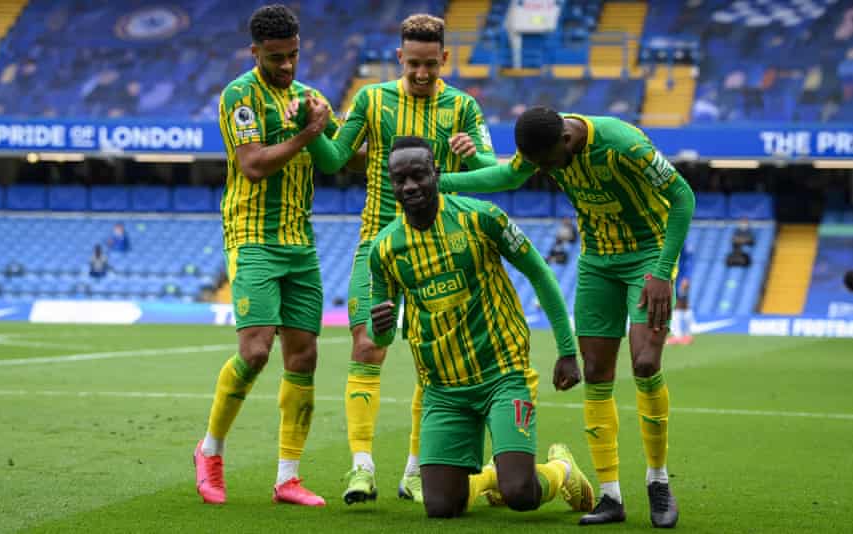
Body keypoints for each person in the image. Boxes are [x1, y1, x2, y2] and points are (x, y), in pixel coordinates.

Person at [437, 106, 694, 527]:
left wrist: (663, 271)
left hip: (648, 257)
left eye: (548, 163)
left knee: (646, 363)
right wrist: (440, 183)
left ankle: (658, 481)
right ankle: (610, 496)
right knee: (595, 372)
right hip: (596, 262)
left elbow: (683, 195)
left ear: (567, 141)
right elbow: (505, 176)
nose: (544, 171)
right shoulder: (543, 145)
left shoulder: (623, 143)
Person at [305, 14, 498, 504]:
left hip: (438, 253)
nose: (421, 74)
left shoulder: (463, 108)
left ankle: (414, 470)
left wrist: (473, 155)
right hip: (377, 246)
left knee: (434, 362)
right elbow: (332, 160)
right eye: (413, 63)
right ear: (398, 58)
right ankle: (361, 468)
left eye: (430, 65)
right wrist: (316, 128)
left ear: (444, 60)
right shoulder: (371, 100)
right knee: (368, 347)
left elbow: (494, 173)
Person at [368, 136, 593, 518]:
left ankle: (563, 470)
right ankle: (492, 476)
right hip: (442, 390)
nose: (409, 187)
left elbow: (540, 273)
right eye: (399, 179)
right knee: (441, 507)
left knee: (521, 492)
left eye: (418, 175)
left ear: (436, 173)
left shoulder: (481, 218)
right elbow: (383, 335)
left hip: (502, 375)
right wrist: (380, 327)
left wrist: (567, 350)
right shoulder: (385, 248)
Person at [192, 4, 340, 507]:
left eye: (293, 55)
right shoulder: (240, 95)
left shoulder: (311, 98)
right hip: (252, 234)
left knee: (304, 355)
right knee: (255, 351)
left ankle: (288, 478)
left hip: (301, 241)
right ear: (254, 51)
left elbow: (342, 155)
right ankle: (209, 451)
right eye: (276, 57)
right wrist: (307, 135)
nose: (287, 66)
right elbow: (253, 165)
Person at [667, 244, 694, 345]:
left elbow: (689, 260)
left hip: (680, 276)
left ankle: (680, 335)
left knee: (680, 303)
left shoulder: (682, 240)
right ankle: (684, 335)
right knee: (681, 304)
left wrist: (687, 277)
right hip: (676, 274)